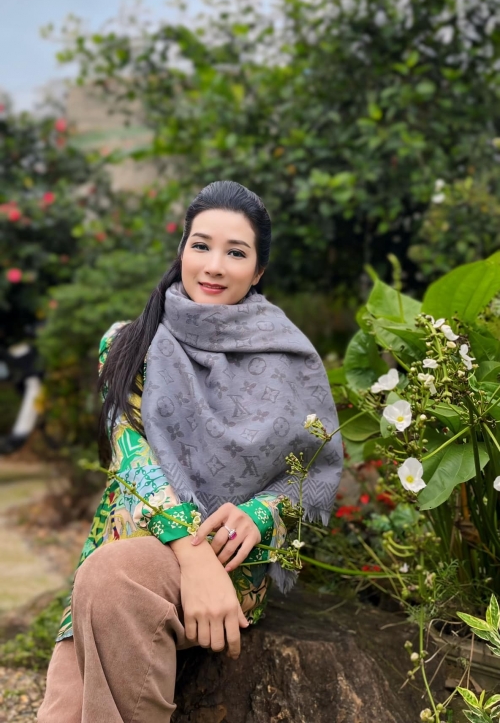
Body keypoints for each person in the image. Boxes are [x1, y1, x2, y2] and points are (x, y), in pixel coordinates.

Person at [38, 180, 343, 723]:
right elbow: (132, 461)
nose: (214, 266)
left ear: (259, 270)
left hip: (233, 561)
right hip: (142, 538)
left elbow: (314, 470)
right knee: (67, 697)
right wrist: (190, 553)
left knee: (109, 579)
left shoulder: (288, 355)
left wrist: (261, 512)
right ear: (182, 249)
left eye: (236, 253)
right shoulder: (129, 343)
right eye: (201, 245)